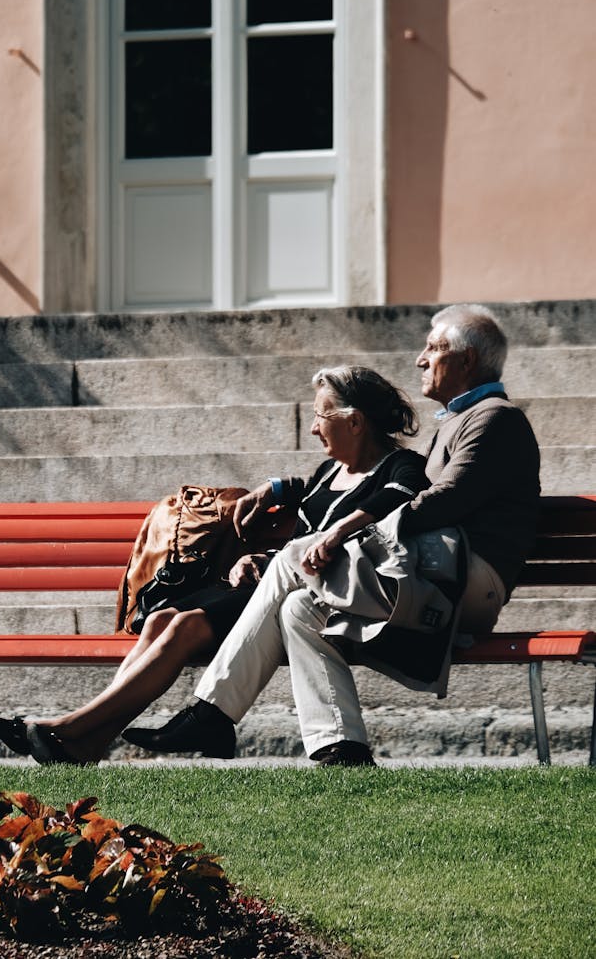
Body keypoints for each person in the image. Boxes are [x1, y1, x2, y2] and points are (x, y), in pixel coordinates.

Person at [123, 304, 541, 767]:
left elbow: (442, 500)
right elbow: (368, 486)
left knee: (290, 560)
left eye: (434, 348)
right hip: (432, 570)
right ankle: (340, 749)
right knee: (299, 608)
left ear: (466, 361)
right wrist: (286, 488)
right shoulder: (462, 421)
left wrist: (345, 532)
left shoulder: (494, 419)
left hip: (467, 581)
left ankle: (212, 711)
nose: (421, 359)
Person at [0, 365, 427, 764]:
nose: (313, 427)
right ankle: (91, 740)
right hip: (268, 583)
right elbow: (302, 521)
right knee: (160, 619)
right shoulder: (328, 473)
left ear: (354, 422)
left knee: (184, 628)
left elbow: (404, 494)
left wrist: (336, 531)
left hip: (318, 597)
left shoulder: (401, 466)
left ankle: (75, 727)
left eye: (321, 416)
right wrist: (270, 504)